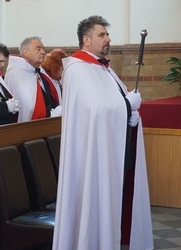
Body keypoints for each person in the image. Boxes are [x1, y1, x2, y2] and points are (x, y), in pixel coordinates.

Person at [53, 15, 153, 250]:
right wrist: (127, 105)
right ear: (86, 40)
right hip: (93, 153)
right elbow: (96, 110)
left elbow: (111, 102)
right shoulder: (78, 69)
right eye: (102, 35)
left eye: (107, 34)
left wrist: (129, 113)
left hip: (114, 145)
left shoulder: (101, 68)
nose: (108, 39)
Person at [5, 36, 61, 122]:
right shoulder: (16, 73)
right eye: (38, 49)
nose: (43, 52)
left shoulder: (39, 71)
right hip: (30, 126)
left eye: (43, 49)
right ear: (26, 52)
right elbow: (25, 105)